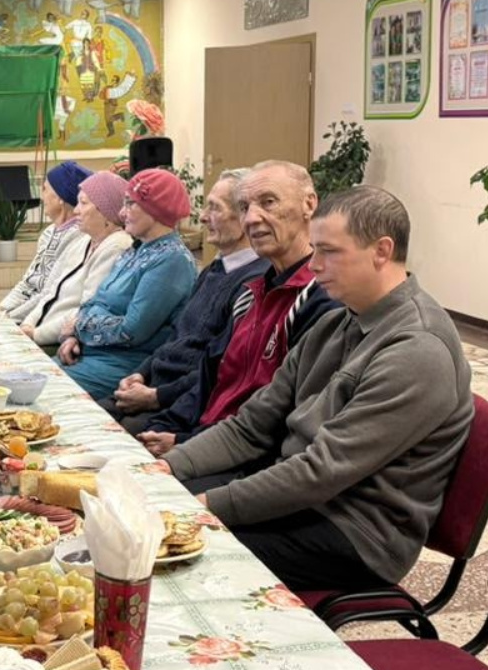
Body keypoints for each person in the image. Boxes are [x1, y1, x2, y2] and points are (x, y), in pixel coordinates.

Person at [163, 187, 474, 591]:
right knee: (160, 500)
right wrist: (168, 467)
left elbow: (321, 472)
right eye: (315, 250)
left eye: (328, 251)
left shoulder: (418, 349)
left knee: (176, 553)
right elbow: (250, 426)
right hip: (308, 499)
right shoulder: (337, 322)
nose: (314, 264)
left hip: (355, 534)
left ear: (381, 251)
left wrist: (206, 508)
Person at [140, 161, 340, 456]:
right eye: (245, 207)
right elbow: (210, 378)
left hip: (243, 457)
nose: (252, 218)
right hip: (202, 438)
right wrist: (164, 425)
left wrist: (184, 442)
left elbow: (281, 415)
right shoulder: (250, 292)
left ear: (309, 204)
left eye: (268, 202)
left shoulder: (321, 298)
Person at [99, 167, 270, 433]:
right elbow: (176, 337)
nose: (202, 216)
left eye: (215, 208)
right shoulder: (215, 270)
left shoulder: (254, 282)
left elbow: (220, 368)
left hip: (179, 405)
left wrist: (156, 396)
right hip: (155, 385)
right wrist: (142, 373)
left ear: (244, 216)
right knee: (80, 420)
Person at [58, 167, 198, 398]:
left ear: (155, 210)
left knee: (39, 390)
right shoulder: (136, 249)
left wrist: (79, 327)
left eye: (130, 204)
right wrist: (73, 336)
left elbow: (131, 331)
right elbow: (95, 300)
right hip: (89, 354)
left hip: (122, 367)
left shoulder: (172, 260)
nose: (122, 213)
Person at [14, 170, 133, 349]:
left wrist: (37, 335)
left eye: (83, 203)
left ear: (105, 212)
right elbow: (49, 292)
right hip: (37, 333)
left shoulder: (116, 247)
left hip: (61, 342)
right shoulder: (83, 241)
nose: (76, 210)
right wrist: (28, 324)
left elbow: (87, 308)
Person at [0, 161, 90, 314]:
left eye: (45, 189)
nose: (41, 197)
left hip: (42, 317)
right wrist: (0, 309)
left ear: (61, 197)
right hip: (21, 315)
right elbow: (27, 282)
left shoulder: (79, 237)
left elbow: (49, 293)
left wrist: (9, 317)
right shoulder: (48, 232)